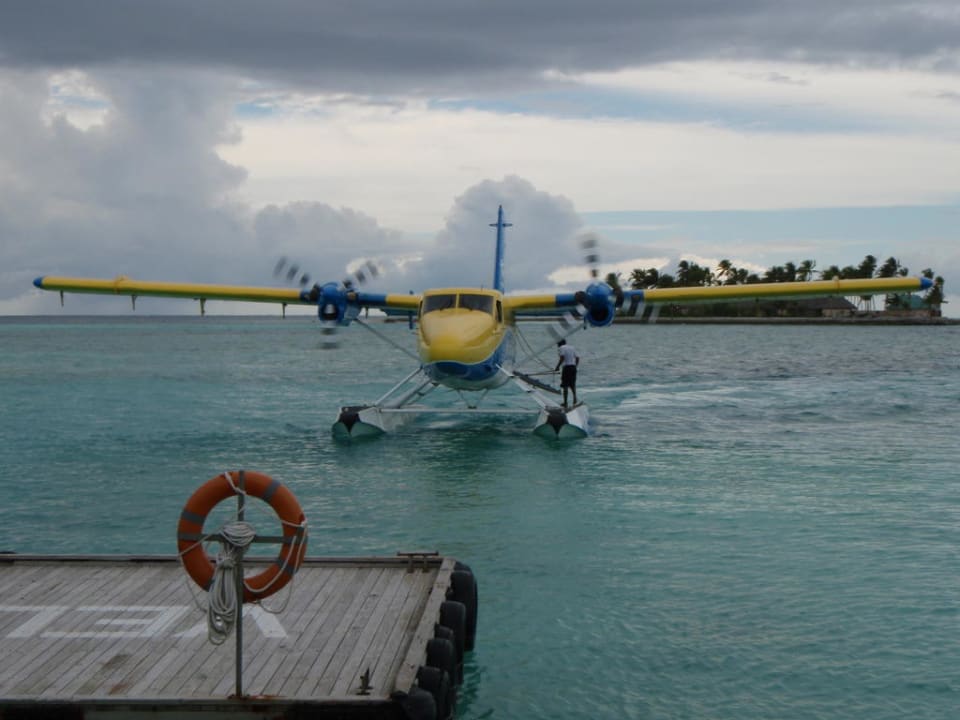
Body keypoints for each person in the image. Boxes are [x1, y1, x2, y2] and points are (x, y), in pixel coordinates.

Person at [554, 339, 580, 408]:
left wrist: (557, 367)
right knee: (572, 384)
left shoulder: (561, 348)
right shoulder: (572, 347)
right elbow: (577, 358)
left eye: (557, 344)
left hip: (566, 368)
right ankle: (575, 398)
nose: (557, 346)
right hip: (573, 367)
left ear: (560, 344)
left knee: (565, 385)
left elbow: (562, 357)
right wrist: (575, 366)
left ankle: (565, 403)